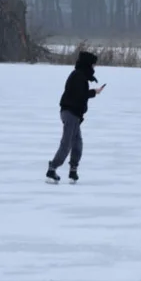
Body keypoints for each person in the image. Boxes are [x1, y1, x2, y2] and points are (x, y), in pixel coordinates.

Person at [46, 50, 104, 184]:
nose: (94, 68)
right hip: (70, 113)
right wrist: (94, 92)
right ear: (88, 64)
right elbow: (81, 95)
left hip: (74, 114)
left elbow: (82, 91)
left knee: (77, 143)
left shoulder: (81, 75)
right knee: (66, 143)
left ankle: (73, 169)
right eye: (93, 65)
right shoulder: (78, 76)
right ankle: (52, 168)